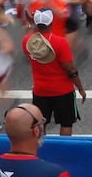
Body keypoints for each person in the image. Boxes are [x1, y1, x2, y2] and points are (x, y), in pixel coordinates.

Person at [22, 7, 86, 137]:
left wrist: (30, 23)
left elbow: (34, 39)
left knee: (40, 123)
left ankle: (41, 148)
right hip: (63, 91)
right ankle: (64, 151)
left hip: (40, 90)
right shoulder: (60, 42)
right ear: (51, 22)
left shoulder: (27, 42)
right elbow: (71, 69)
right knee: (66, 123)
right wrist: (80, 88)